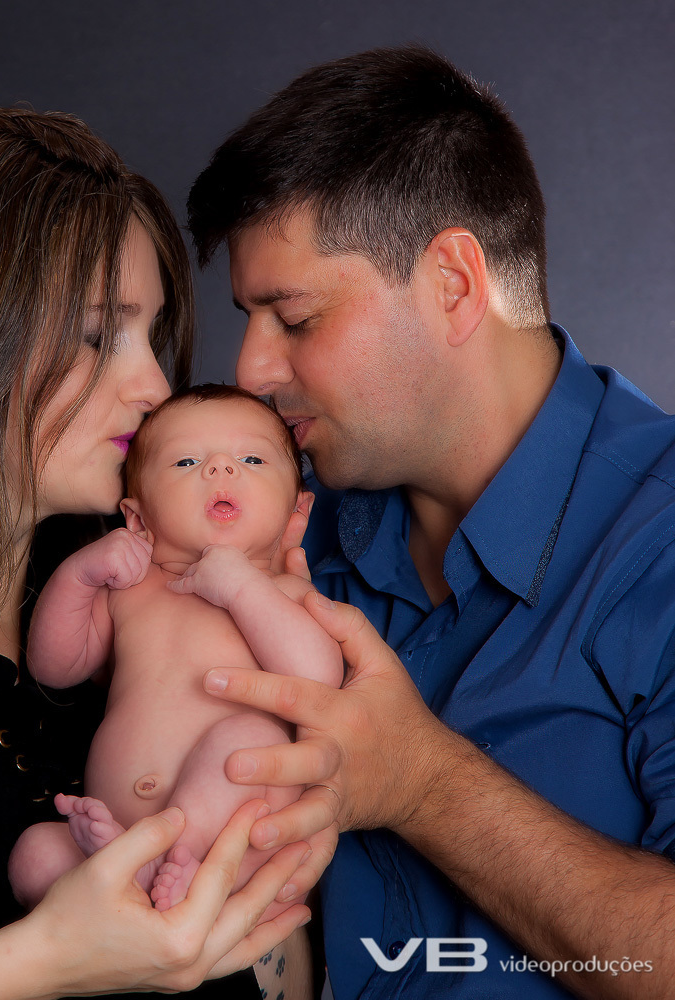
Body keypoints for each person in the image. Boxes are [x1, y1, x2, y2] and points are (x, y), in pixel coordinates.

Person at [185, 45, 675, 1000]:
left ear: (452, 283)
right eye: (245, 317)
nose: (249, 371)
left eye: (293, 317)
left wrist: (423, 784)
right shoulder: (283, 527)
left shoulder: (658, 536)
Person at [0, 105, 314, 999]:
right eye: (97, 334)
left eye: (150, 333)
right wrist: (45, 961)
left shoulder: (133, 584)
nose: (153, 384)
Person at [8, 384, 343, 912]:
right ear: (138, 519)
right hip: (116, 832)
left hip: (230, 844)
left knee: (249, 738)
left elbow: (318, 680)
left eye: (251, 459)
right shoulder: (129, 589)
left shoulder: (281, 593)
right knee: (33, 856)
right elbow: (53, 667)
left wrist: (240, 586)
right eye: (186, 461)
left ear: (296, 514)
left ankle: (172, 860)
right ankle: (130, 878)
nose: (220, 469)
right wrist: (80, 574)